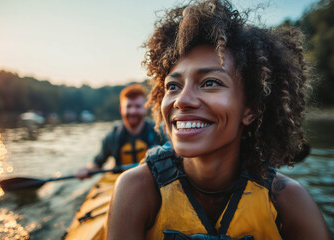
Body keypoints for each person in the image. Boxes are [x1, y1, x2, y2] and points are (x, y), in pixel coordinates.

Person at [106, 1, 330, 239]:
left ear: (250, 109)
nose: (182, 101)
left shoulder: (288, 201)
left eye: (210, 82)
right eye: (173, 86)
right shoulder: (136, 190)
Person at [76, 84, 167, 179]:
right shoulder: (112, 137)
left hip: (149, 180)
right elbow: (97, 163)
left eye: (137, 106)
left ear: (145, 108)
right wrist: (87, 170)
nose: (132, 111)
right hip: (121, 183)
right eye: (128, 106)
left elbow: (172, 153)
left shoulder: (158, 133)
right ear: (121, 109)